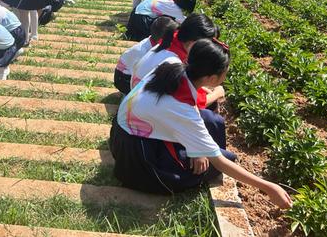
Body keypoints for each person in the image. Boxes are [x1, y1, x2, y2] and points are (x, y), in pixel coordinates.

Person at [110, 38, 292, 210]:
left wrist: (197, 149)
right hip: (137, 157)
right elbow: (219, 162)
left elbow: (190, 108)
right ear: (212, 79)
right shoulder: (180, 108)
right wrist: (268, 187)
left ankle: (197, 148)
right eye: (225, 72)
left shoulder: (172, 66)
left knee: (213, 121)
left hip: (128, 134)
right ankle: (166, 171)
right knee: (219, 162)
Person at [130, 13, 215, 88]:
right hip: (143, 101)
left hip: (136, 93)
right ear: (193, 42)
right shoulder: (173, 63)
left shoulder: (171, 39)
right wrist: (217, 94)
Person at [114, 16, 174, 95]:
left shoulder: (152, 42)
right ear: (161, 40)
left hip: (131, 73)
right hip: (124, 79)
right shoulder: (143, 52)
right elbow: (138, 77)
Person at [126, 0, 197, 41]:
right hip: (140, 20)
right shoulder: (173, 7)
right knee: (170, 25)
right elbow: (184, 22)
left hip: (136, 11)